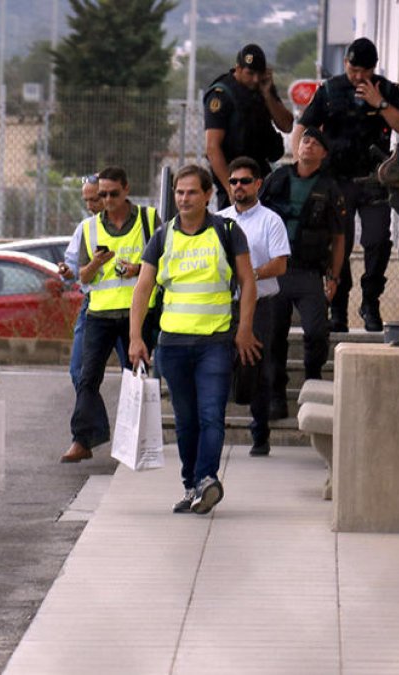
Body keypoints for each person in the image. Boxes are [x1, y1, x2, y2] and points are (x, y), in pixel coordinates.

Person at [129, 164, 260, 515]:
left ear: (207, 195)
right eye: (179, 192)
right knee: (186, 421)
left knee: (211, 415)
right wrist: (136, 337)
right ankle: (192, 486)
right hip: (172, 345)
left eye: (191, 192)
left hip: (215, 342)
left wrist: (244, 329)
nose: (184, 199)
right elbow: (143, 288)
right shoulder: (162, 236)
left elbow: (248, 282)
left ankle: (206, 479)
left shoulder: (226, 231)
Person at [292, 37, 399, 332]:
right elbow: (302, 129)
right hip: (337, 181)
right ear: (345, 63)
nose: (358, 76)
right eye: (353, 69)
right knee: (338, 243)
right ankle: (338, 308)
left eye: (364, 71)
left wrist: (379, 104)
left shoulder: (386, 90)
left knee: (377, 240)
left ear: (374, 68)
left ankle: (370, 302)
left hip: (374, 180)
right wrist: (301, 165)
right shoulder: (330, 90)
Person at [62, 166, 160, 464]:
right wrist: (96, 262)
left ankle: (136, 441)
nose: (106, 201)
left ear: (126, 189)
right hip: (100, 313)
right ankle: (82, 439)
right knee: (87, 376)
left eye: (113, 194)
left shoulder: (149, 219)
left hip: (138, 313)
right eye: (102, 195)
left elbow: (165, 263)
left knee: (136, 377)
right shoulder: (89, 228)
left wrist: (138, 269)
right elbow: (82, 276)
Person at [259, 128, 346, 421]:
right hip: (276, 270)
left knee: (317, 332)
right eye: (305, 141)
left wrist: (334, 277)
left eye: (316, 143)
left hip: (309, 273)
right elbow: (256, 217)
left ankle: (312, 382)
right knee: (274, 335)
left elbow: (339, 237)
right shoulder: (277, 179)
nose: (308, 146)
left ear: (324, 154)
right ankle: (276, 395)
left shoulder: (330, 188)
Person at [217, 157, 290, 456]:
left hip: (260, 305)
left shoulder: (271, 220)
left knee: (256, 366)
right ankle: (214, 431)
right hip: (223, 305)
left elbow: (280, 264)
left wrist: (249, 275)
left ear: (258, 184)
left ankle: (260, 434)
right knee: (218, 365)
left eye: (245, 181)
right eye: (233, 181)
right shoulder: (218, 219)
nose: (238, 186)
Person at [57, 175, 127, 387]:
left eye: (94, 199)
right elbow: (73, 268)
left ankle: (132, 409)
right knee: (80, 373)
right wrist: (67, 271)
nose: (89, 206)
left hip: (128, 307)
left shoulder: (135, 224)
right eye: (86, 200)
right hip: (94, 305)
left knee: (133, 373)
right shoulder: (87, 227)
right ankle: (91, 410)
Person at [204, 44, 294, 208]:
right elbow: (212, 147)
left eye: (259, 74)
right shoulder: (221, 94)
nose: (255, 79)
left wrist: (268, 94)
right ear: (238, 69)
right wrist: (230, 187)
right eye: (250, 73)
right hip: (234, 177)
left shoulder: (263, 88)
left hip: (260, 176)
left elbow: (287, 125)